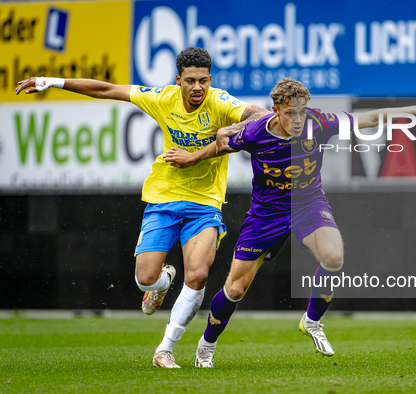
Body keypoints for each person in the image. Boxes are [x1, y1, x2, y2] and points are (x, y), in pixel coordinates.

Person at [163, 77, 416, 367]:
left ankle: (312, 320)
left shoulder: (319, 122)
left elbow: (368, 119)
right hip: (266, 213)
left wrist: (415, 108)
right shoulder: (254, 132)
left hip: (308, 205)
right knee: (235, 289)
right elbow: (220, 146)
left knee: (334, 257)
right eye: (290, 113)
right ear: (275, 110)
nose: (298, 120)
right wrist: (191, 157)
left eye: (302, 111)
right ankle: (207, 344)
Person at [15, 47, 270, 368]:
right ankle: (161, 283)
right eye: (190, 81)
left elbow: (259, 115)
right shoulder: (162, 99)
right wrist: (49, 81)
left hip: (205, 202)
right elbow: (107, 89)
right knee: (145, 279)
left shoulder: (220, 102)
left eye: (203, 81)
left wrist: (230, 132)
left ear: (210, 80)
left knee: (199, 275)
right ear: (178, 80)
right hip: (164, 197)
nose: (197, 88)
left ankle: (165, 349)